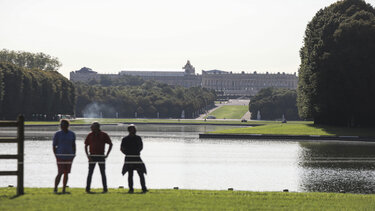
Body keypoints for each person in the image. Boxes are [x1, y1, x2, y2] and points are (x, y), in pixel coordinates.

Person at [84, 122, 113, 193]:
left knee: (103, 173)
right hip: (92, 156)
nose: (91, 128)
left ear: (97, 127)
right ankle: (87, 189)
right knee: (90, 173)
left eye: (92, 127)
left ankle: (105, 189)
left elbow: (110, 144)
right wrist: (88, 156)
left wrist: (107, 154)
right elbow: (86, 145)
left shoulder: (104, 134)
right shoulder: (90, 135)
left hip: (101, 156)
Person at [121, 124, 148, 193]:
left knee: (141, 173)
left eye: (134, 129)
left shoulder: (138, 138)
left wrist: (136, 152)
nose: (134, 130)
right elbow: (122, 149)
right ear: (129, 130)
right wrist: (127, 153)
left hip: (137, 157)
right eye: (132, 129)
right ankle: (131, 189)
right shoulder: (125, 139)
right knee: (130, 174)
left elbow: (141, 147)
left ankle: (144, 188)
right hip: (129, 158)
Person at [53, 119, 76, 194]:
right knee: (60, 172)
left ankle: (63, 189)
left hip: (69, 156)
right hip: (60, 156)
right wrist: (56, 155)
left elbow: (73, 145)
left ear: (67, 125)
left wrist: (74, 154)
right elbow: (54, 145)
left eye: (64, 125)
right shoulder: (57, 134)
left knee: (66, 173)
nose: (62, 126)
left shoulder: (72, 134)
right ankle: (55, 188)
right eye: (61, 125)